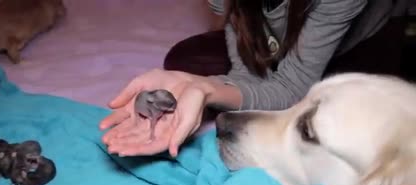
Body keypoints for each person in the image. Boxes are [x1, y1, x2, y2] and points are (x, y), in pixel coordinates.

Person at [100, 0, 408, 158]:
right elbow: (245, 72)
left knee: (338, 121)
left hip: (362, 42)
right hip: (283, 36)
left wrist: (207, 90)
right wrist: (200, 88)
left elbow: (291, 86)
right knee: (183, 62)